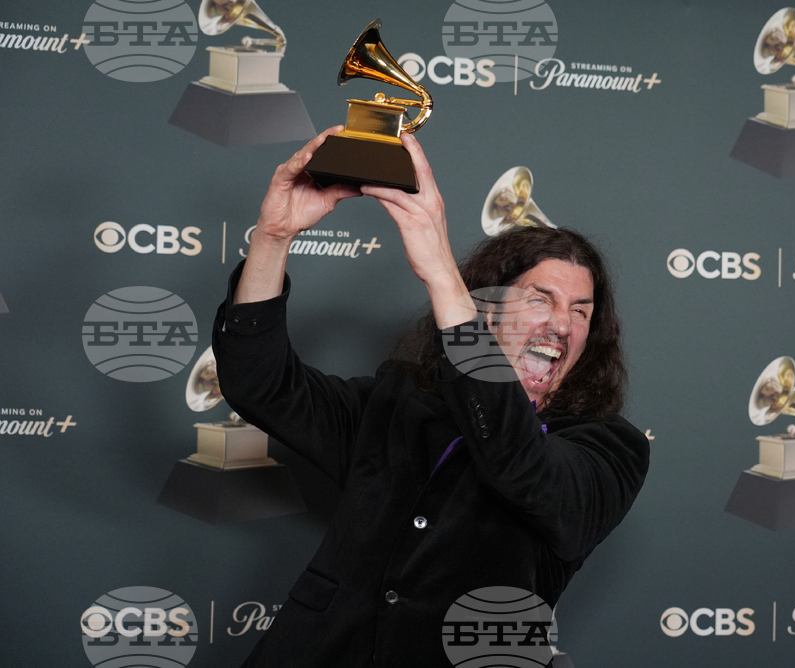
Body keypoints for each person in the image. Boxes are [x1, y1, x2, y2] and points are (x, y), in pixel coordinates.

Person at [213, 126, 650, 667]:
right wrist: (273, 237)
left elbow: (519, 460)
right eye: (541, 299)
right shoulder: (396, 404)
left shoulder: (610, 449)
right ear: (488, 311)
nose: (561, 324)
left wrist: (441, 271)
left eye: (580, 311)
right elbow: (260, 383)